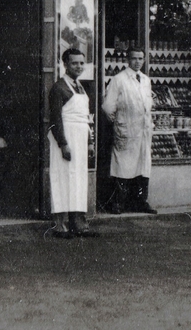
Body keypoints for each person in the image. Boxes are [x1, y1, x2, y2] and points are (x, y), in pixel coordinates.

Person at [47, 47, 96, 238]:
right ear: (65, 64)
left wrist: (90, 141)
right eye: (74, 63)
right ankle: (59, 224)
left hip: (81, 137)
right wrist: (63, 143)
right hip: (65, 137)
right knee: (62, 178)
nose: (79, 66)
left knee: (79, 179)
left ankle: (78, 223)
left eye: (82, 63)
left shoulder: (81, 87)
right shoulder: (59, 88)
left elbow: (86, 118)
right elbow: (56, 118)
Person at [102, 45, 155, 213]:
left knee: (142, 167)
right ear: (128, 60)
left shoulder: (146, 80)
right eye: (134, 58)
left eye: (140, 58)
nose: (137, 62)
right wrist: (119, 123)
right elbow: (107, 106)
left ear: (144, 59)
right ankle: (118, 203)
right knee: (123, 166)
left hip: (143, 131)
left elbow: (147, 103)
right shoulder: (119, 79)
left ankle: (140, 202)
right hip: (126, 130)